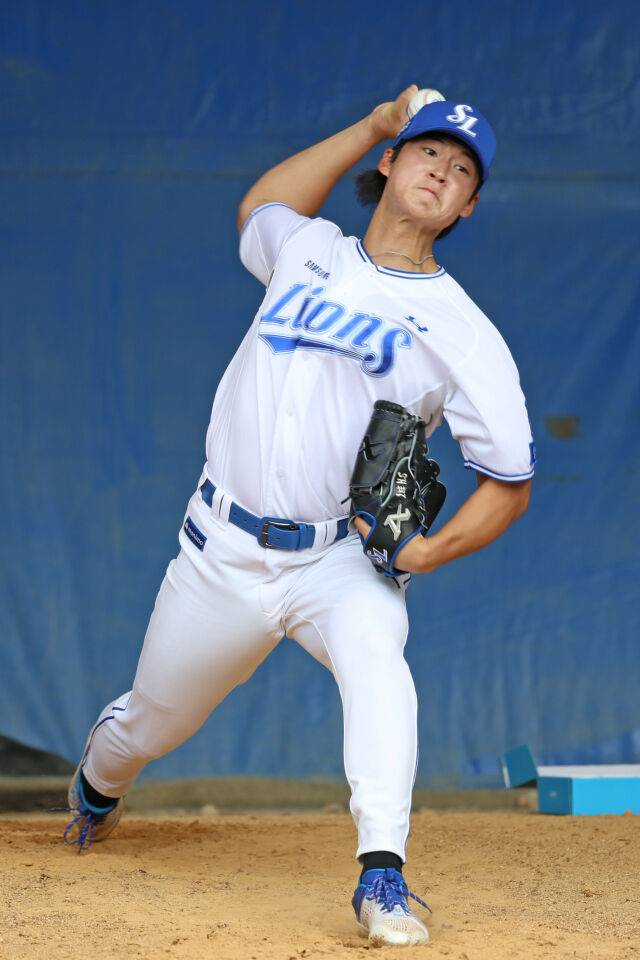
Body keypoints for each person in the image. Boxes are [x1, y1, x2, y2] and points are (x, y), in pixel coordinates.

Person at [64, 84, 534, 947]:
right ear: (390, 164)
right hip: (221, 554)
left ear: (468, 207)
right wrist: (371, 122)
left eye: (463, 169)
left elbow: (509, 481)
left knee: (378, 660)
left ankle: (382, 873)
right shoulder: (310, 250)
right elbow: (260, 208)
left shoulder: (465, 333)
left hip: (339, 560)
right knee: (151, 724)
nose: (443, 169)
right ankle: (97, 786)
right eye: (430, 150)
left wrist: (424, 557)